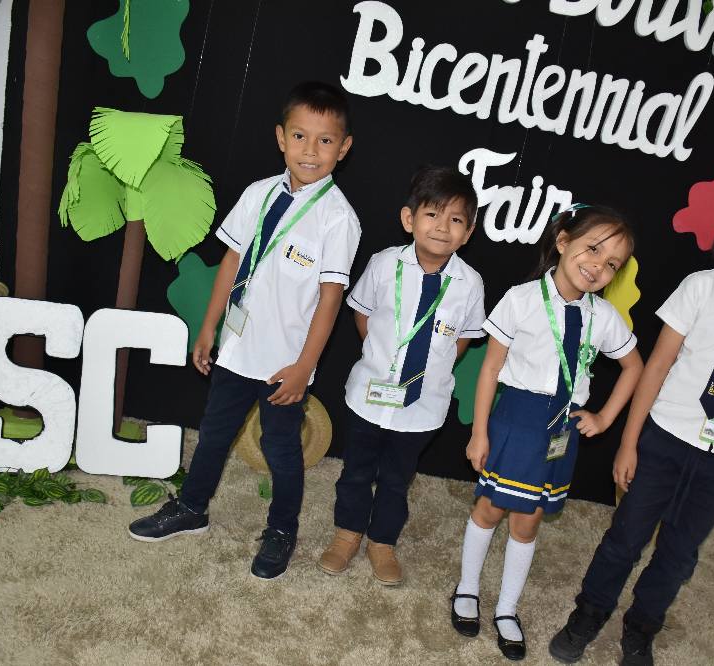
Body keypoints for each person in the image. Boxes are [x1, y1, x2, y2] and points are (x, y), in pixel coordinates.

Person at [548, 178, 714, 666]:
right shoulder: (701, 288)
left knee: (679, 554)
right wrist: (628, 442)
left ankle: (642, 627)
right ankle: (588, 614)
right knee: (625, 538)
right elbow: (656, 366)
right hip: (665, 441)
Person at [128, 81, 361, 581]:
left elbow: (330, 300)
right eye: (300, 136)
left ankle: (281, 530)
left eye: (325, 141)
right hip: (235, 349)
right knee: (212, 435)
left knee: (282, 452)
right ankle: (192, 508)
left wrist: (304, 368)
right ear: (281, 137)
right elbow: (232, 262)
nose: (311, 150)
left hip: (284, 365)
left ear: (343, 148)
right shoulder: (258, 193)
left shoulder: (338, 219)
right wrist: (208, 327)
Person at [451, 205, 644, 661]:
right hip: (515, 419)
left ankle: (507, 608)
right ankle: (466, 589)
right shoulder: (520, 298)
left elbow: (634, 367)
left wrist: (603, 418)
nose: (599, 265)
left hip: (562, 428)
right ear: (563, 241)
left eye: (612, 262)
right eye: (592, 249)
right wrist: (480, 432)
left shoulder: (604, 317)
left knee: (530, 517)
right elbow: (490, 369)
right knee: (491, 507)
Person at [317, 166, 486, 586]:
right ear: (409, 219)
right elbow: (362, 315)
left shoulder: (470, 284)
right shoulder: (382, 264)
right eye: (432, 215)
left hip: (421, 409)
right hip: (368, 398)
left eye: (456, 220)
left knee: (396, 481)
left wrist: (427, 367)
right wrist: (382, 357)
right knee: (355, 471)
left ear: (468, 232)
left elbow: (461, 340)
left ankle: (382, 542)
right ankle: (347, 533)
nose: (442, 228)